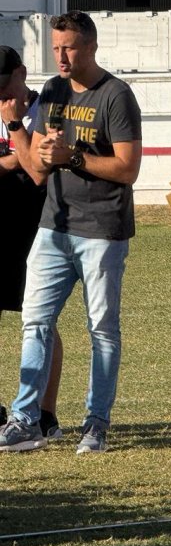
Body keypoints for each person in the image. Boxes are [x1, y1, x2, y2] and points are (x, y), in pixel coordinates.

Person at [0, 11, 142, 455]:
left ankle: (96, 423)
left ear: (92, 46)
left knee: (101, 329)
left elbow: (127, 168)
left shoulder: (116, 96)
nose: (61, 56)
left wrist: (71, 157)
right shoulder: (54, 92)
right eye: (57, 47)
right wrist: (27, 137)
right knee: (35, 321)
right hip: (52, 227)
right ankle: (26, 421)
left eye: (70, 47)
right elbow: (38, 170)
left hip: (102, 229)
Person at [0, 46, 66, 441]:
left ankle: (45, 415)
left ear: (21, 73)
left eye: (4, 83)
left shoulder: (49, 109)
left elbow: (37, 172)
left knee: (40, 320)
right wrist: (13, 159)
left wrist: (13, 130)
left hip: (38, 228)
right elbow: (20, 161)